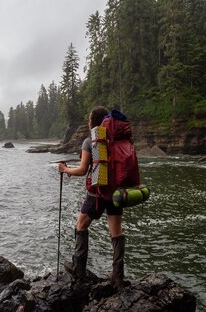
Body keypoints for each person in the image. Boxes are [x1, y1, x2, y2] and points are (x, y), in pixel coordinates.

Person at [57, 106, 127, 288]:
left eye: (88, 120)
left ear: (92, 122)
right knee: (116, 232)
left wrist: (65, 170)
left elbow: (82, 170)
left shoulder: (91, 142)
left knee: (80, 225)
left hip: (97, 194)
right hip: (116, 193)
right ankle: (118, 276)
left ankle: (78, 269)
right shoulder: (116, 140)